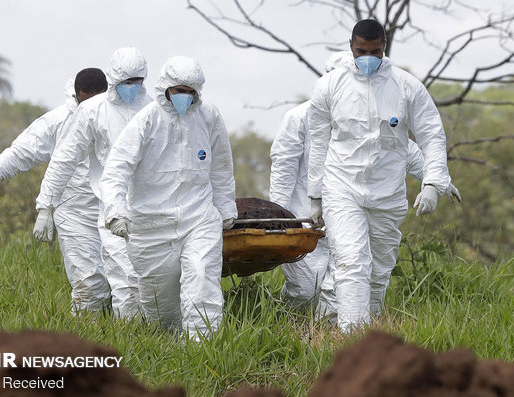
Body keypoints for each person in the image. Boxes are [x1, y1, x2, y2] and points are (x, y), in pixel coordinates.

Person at [271, 52, 461, 315]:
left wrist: (438, 180)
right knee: (306, 286)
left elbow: (402, 149)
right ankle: (294, 322)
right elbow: (283, 169)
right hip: (305, 217)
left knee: (349, 272)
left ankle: (337, 331)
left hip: (353, 205)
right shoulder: (299, 117)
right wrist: (279, 218)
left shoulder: (370, 109)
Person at [307, 19, 452, 333]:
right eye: (361, 51)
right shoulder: (330, 86)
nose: (368, 57)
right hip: (342, 186)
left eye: (375, 51)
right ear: (351, 46)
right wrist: (315, 194)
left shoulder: (406, 86)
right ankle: (351, 339)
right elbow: (318, 141)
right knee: (350, 261)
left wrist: (433, 182)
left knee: (379, 268)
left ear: (384, 47)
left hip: (387, 191)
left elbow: (431, 135)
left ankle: (366, 335)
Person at [100, 56, 237, 340]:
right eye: (178, 91)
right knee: (160, 307)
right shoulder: (146, 120)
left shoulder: (209, 116)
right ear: (165, 88)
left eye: (190, 91)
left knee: (201, 278)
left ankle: (203, 350)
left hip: (199, 216)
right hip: (150, 225)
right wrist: (115, 210)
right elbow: (116, 168)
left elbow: (221, 165)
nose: (184, 97)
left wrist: (225, 209)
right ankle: (168, 344)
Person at [0, 68, 111, 313]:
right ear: (77, 96)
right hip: (74, 212)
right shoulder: (59, 121)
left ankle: (129, 334)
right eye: (86, 100)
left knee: (125, 281)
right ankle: (85, 337)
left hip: (114, 208)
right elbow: (19, 154)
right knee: (89, 282)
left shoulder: (119, 115)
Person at [34, 47, 153, 318]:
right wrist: (46, 206)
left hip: (152, 207)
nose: (131, 88)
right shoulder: (92, 110)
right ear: (113, 79)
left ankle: (161, 338)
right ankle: (131, 340)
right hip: (111, 208)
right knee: (124, 279)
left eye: (137, 82)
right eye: (125, 82)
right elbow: (65, 158)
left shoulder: (153, 110)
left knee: (154, 282)